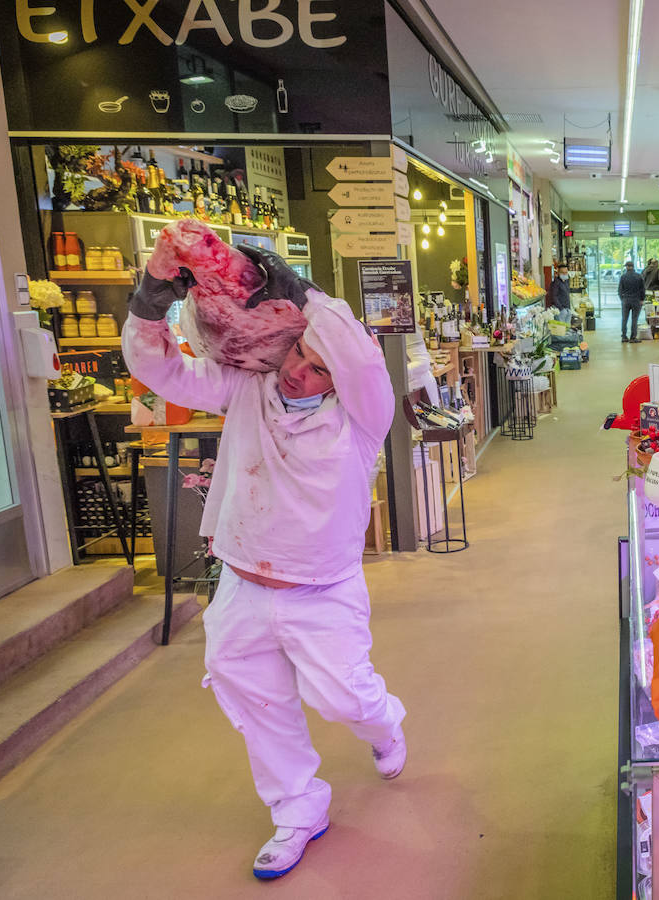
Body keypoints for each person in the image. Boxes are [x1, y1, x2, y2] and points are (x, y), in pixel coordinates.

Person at [122, 247, 406, 881]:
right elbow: (158, 370)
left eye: (318, 369)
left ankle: (385, 724)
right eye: (300, 355)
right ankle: (298, 808)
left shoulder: (362, 420)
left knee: (345, 701)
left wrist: (304, 292)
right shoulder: (247, 386)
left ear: (339, 383)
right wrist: (152, 299)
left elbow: (359, 357)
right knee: (258, 701)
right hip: (243, 585)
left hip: (324, 590)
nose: (299, 373)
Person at [619, 259, 645, 343]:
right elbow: (642, 289)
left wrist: (622, 299)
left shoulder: (623, 277)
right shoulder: (639, 276)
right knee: (634, 319)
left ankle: (624, 336)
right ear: (633, 267)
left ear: (627, 267)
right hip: (636, 300)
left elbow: (620, 290)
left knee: (624, 319)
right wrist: (642, 299)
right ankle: (633, 338)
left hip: (625, 300)